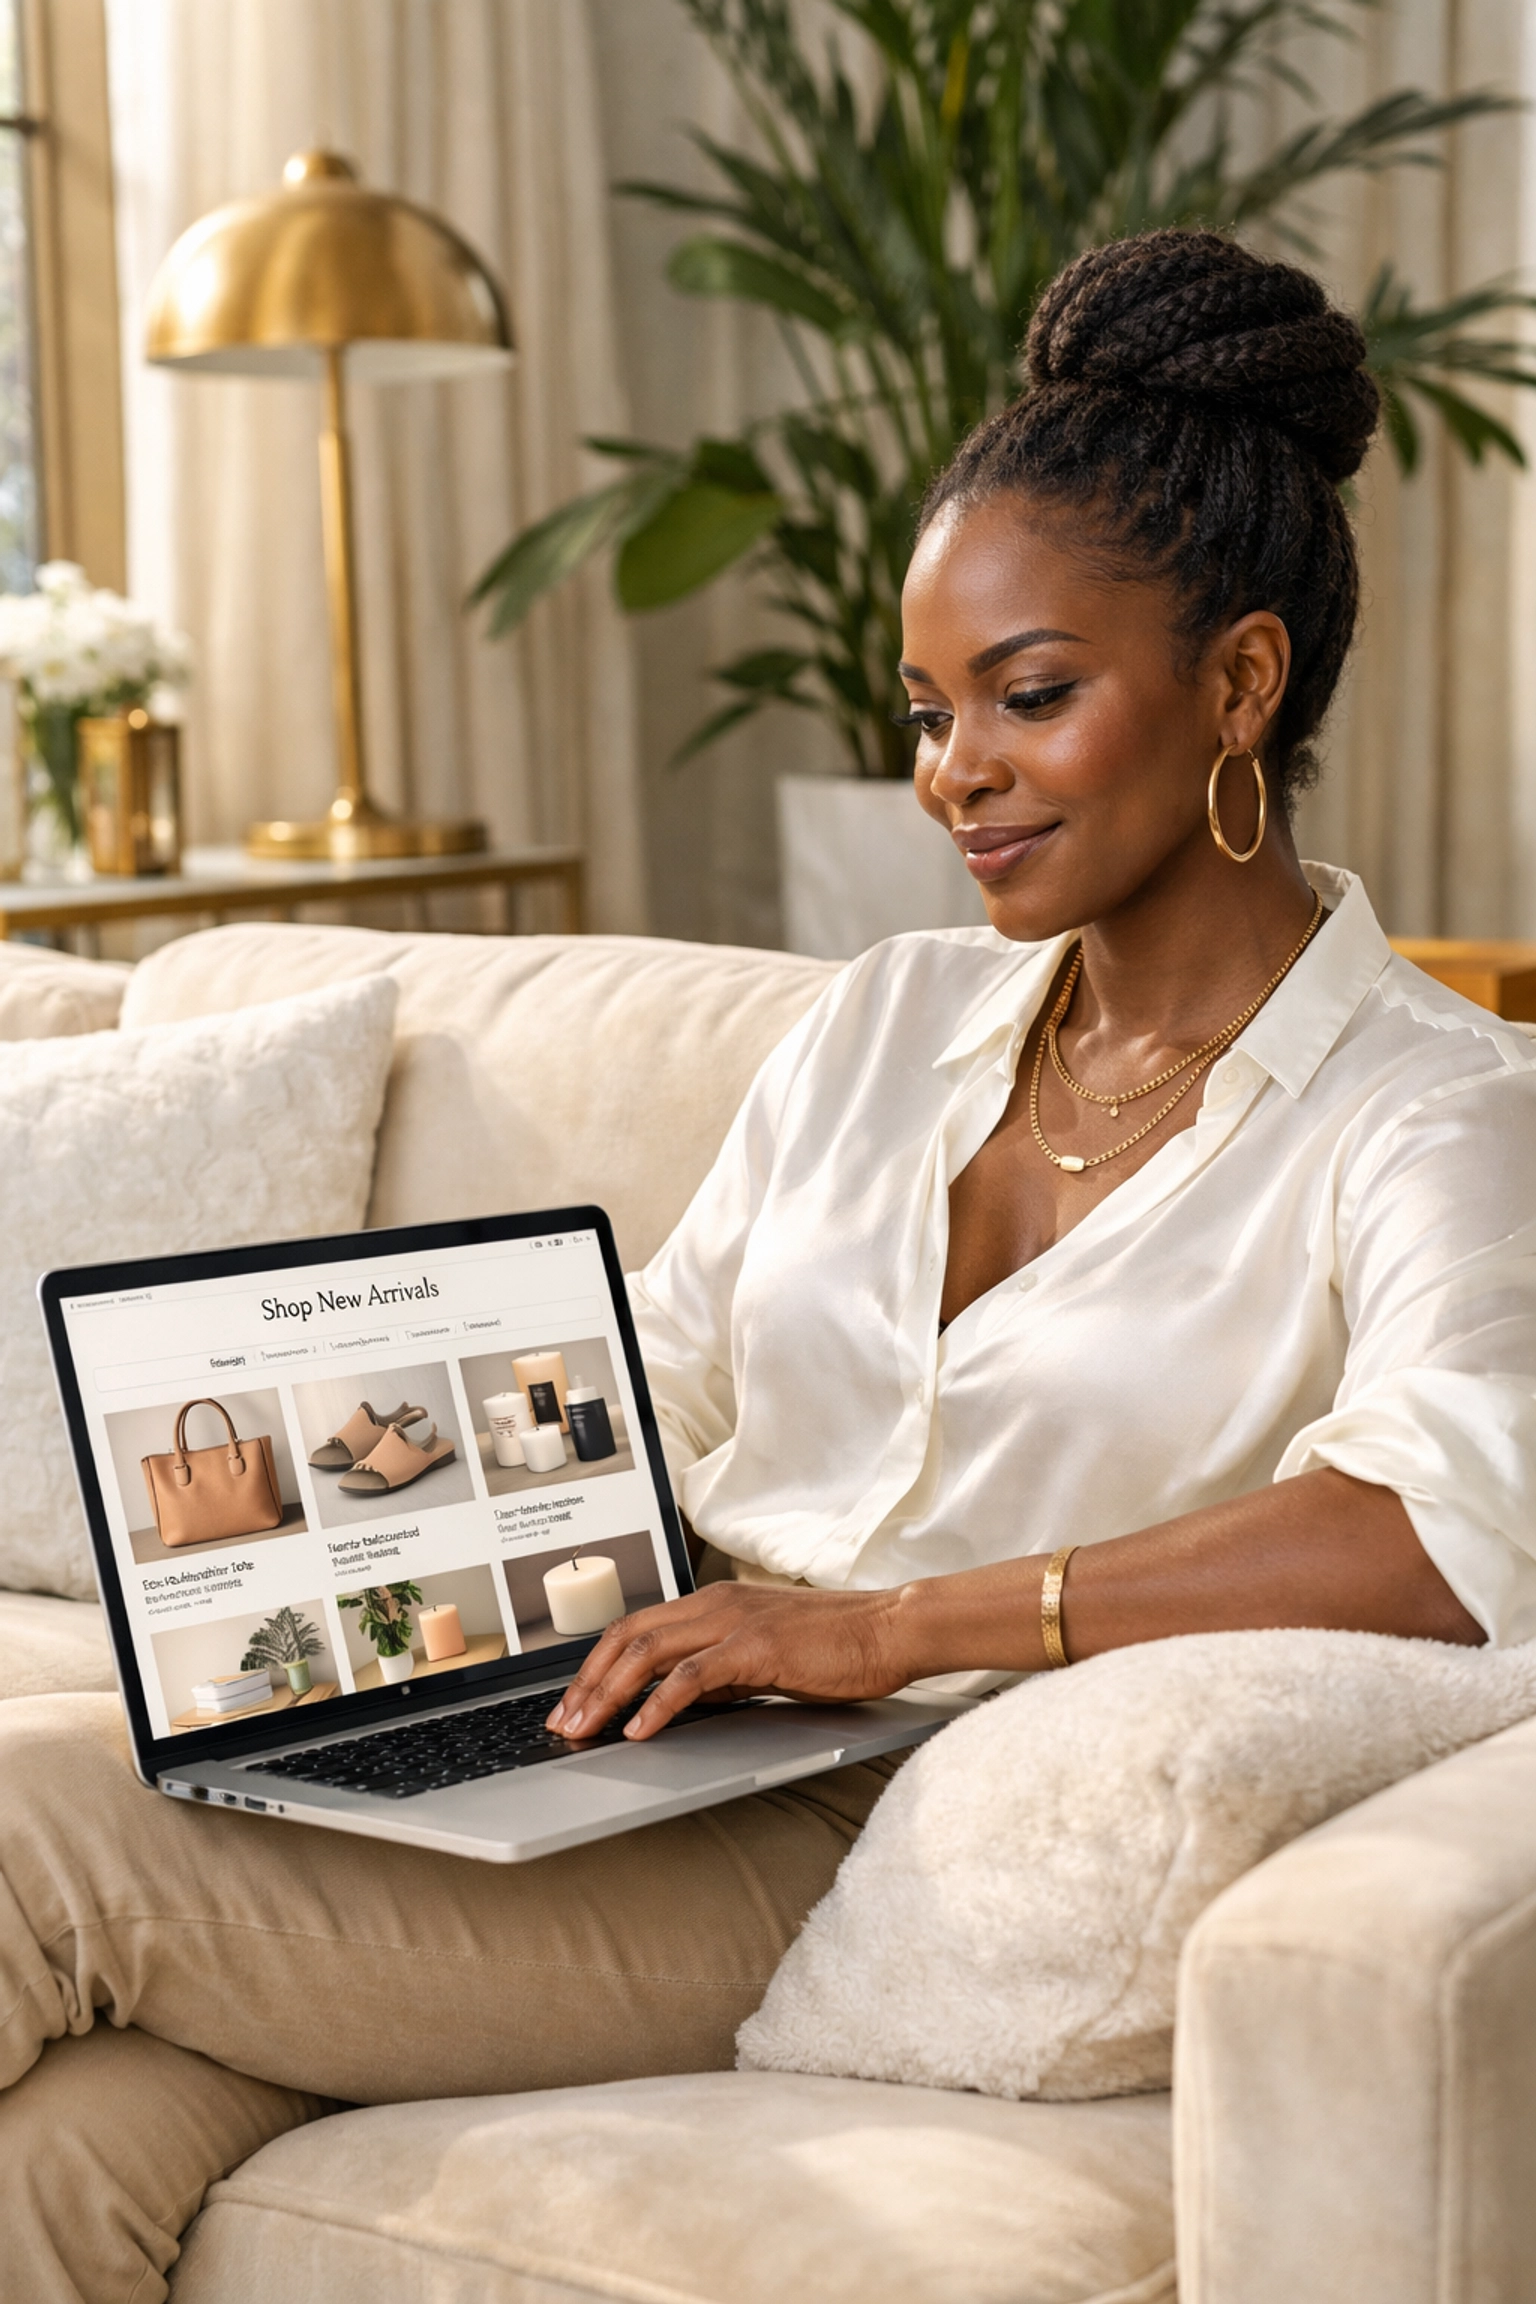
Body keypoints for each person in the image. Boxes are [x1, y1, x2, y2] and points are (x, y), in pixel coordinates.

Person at [4, 228, 1533, 2302]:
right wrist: (353, 1460)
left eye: (1031, 696)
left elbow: (1444, 1534)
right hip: (637, 1730)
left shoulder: (1437, 1108)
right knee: (69, 2159)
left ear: (1240, 683)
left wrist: (876, 1632)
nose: (952, 775)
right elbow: (670, 1356)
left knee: (30, 1846)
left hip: (862, 1821)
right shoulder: (894, 1018)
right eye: (925, 711)